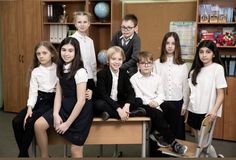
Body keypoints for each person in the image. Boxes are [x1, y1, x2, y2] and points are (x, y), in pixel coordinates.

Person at [34, 37, 93, 158]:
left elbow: (81, 101)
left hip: (80, 111)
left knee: (75, 150)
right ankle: (44, 156)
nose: (66, 53)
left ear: (76, 53)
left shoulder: (80, 71)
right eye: (64, 50)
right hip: (65, 106)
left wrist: (67, 124)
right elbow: (59, 94)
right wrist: (55, 114)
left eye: (70, 51)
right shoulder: (60, 68)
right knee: (38, 125)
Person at [130, 51, 188, 155]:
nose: (146, 65)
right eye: (143, 63)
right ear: (138, 65)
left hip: (156, 101)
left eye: (149, 63)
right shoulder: (133, 79)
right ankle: (173, 143)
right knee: (158, 114)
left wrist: (156, 102)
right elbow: (138, 96)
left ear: (152, 64)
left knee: (172, 109)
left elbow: (162, 94)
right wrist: (152, 104)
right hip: (143, 104)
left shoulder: (157, 77)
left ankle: (158, 134)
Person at [12, 41, 58, 157]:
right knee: (16, 121)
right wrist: (29, 108)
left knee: (30, 122)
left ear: (52, 54)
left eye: (44, 53)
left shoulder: (58, 69)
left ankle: (22, 155)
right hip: (38, 100)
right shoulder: (36, 71)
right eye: (38, 54)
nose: (41, 56)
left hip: (51, 101)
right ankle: (24, 153)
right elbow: (33, 92)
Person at [187, 40, 227, 157]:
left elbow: (221, 94)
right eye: (201, 52)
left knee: (203, 143)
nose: (204, 55)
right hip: (193, 110)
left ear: (213, 54)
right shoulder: (194, 71)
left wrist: (214, 110)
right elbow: (192, 93)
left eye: (208, 52)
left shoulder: (217, 68)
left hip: (207, 111)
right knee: (199, 142)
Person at [153, 32, 189, 140]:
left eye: (173, 43)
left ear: (176, 46)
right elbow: (153, 85)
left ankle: (177, 154)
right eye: (167, 43)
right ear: (164, 44)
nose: (170, 46)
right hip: (161, 103)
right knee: (161, 133)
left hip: (177, 102)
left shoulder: (183, 65)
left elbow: (185, 87)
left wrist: (185, 105)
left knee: (176, 133)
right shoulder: (156, 63)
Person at [94, 46, 145, 121]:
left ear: (123, 60)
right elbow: (104, 95)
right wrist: (119, 110)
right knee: (99, 104)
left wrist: (127, 105)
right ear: (108, 60)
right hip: (107, 102)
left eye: (120, 59)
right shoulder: (101, 74)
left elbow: (131, 91)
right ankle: (131, 114)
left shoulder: (124, 73)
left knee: (139, 100)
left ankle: (109, 114)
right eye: (113, 59)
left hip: (119, 102)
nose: (117, 62)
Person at [70, 11, 97, 99]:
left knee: (89, 101)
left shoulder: (90, 41)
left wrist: (94, 78)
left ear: (89, 24)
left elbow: (93, 62)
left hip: (89, 77)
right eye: (79, 22)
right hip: (76, 77)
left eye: (85, 22)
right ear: (75, 24)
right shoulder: (71, 40)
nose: (82, 25)